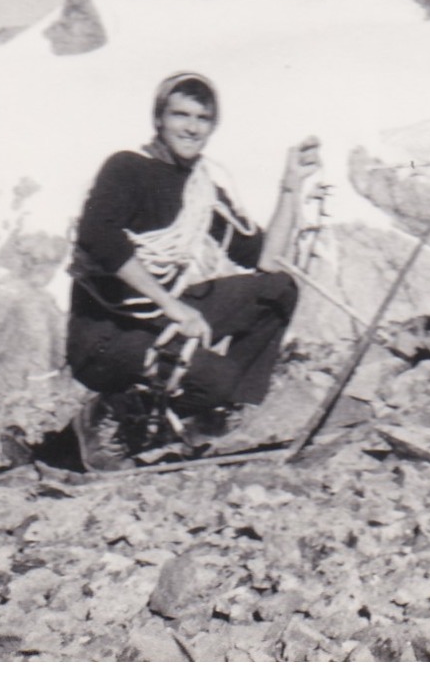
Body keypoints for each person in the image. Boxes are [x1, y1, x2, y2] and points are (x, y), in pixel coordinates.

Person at [65, 71, 321, 470]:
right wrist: (174, 307)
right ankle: (107, 413)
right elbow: (99, 238)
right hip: (104, 336)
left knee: (278, 289)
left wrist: (291, 187)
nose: (191, 127)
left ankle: (205, 419)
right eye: (180, 115)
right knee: (214, 379)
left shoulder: (200, 188)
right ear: (158, 119)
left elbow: (266, 260)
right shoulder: (127, 168)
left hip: (157, 322)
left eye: (202, 118)